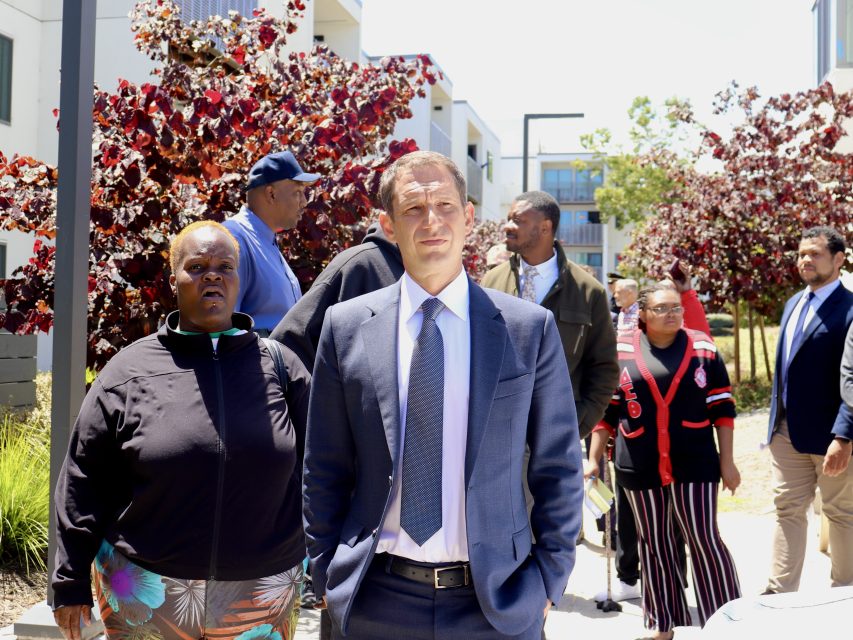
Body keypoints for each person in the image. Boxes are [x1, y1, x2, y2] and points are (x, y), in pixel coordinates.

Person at [303, 151, 584, 639]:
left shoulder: (527, 329)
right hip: (375, 601)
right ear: (388, 225)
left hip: (497, 603)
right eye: (413, 208)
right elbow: (323, 465)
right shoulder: (345, 327)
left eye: (445, 206)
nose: (432, 221)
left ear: (468, 217)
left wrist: (548, 581)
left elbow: (558, 465)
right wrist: (325, 571)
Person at [51, 221, 311, 640]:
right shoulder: (128, 372)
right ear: (174, 280)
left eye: (225, 267)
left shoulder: (282, 369)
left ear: (239, 279)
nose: (213, 276)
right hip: (145, 590)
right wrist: (69, 582)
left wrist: (323, 560)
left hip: (263, 593)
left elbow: (324, 468)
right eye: (197, 267)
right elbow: (83, 480)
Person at [584, 283, 742, 639]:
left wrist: (728, 462)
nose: (671, 314)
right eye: (661, 308)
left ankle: (727, 620)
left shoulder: (703, 348)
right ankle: (661, 623)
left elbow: (723, 409)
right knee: (653, 542)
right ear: (643, 314)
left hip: (695, 462)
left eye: (676, 307)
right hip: (639, 464)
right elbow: (606, 412)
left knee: (703, 538)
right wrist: (593, 459)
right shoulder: (621, 351)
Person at [481, 190, 618, 439]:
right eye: (509, 219)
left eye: (517, 220)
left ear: (545, 227)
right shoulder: (490, 282)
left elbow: (604, 368)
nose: (507, 226)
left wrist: (578, 424)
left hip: (558, 433)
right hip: (498, 431)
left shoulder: (589, 291)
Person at [764, 226, 853, 594]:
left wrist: (844, 436)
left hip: (833, 435)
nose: (805, 260)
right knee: (787, 511)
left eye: (815, 253)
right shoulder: (793, 303)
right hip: (786, 433)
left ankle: (844, 594)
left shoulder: (850, 308)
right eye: (801, 254)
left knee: (841, 514)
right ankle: (779, 593)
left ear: (838, 259)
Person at [271, 221, 404, 369]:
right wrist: (326, 382)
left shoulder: (423, 280)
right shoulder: (357, 266)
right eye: (413, 210)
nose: (424, 221)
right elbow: (286, 347)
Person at [223, 150, 320, 335]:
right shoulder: (234, 240)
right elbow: (222, 329)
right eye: (298, 192)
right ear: (271, 194)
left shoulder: (263, 240)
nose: (304, 202)